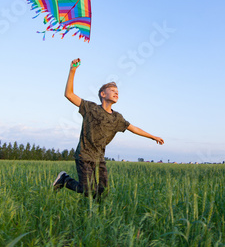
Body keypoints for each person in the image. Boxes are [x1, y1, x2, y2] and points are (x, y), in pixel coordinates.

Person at [53, 58, 164, 198]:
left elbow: (134, 128)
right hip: (84, 156)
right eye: (112, 90)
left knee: (102, 192)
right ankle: (64, 179)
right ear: (103, 94)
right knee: (87, 190)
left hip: (99, 158)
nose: (116, 93)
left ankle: (95, 216)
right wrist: (72, 70)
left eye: (117, 91)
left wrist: (153, 136)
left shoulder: (117, 118)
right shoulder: (90, 108)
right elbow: (69, 94)